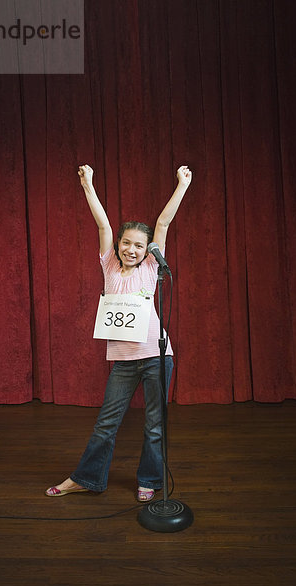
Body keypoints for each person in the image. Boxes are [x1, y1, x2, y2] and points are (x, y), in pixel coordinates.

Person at [45, 163, 192, 502]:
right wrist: (88, 185)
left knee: (154, 426)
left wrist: (182, 185)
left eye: (139, 246)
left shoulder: (153, 266)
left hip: (157, 356)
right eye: (127, 243)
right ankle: (85, 479)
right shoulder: (109, 265)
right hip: (124, 362)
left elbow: (164, 223)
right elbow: (102, 223)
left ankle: (150, 480)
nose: (132, 249)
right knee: (105, 425)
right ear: (119, 245)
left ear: (147, 250)